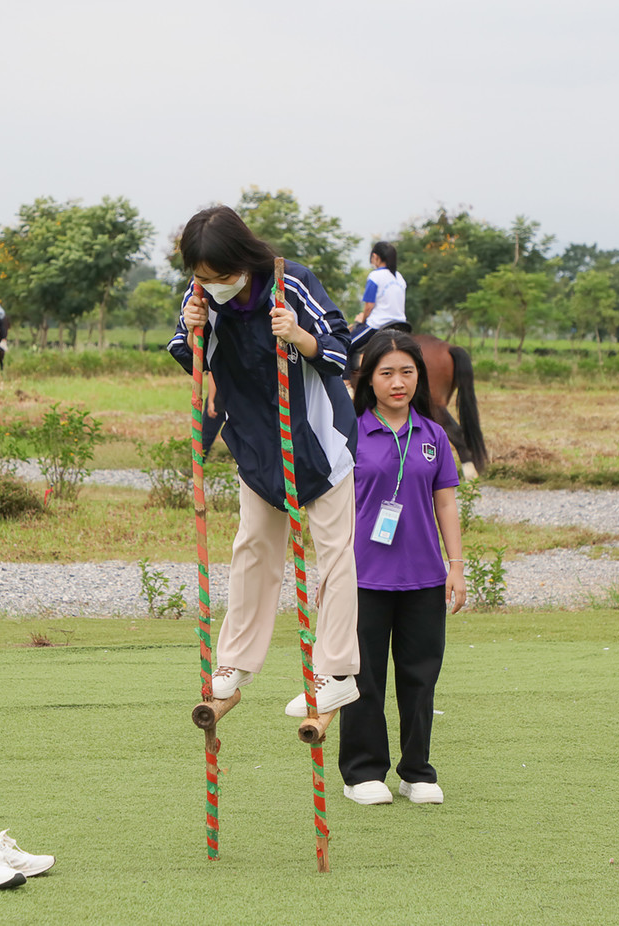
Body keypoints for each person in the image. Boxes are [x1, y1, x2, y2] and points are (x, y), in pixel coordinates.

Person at [167, 205, 360, 716]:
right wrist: (194, 330)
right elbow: (190, 359)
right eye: (202, 278)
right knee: (252, 547)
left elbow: (344, 350)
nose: (213, 286)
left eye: (222, 277)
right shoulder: (202, 293)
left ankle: (336, 670)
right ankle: (234, 662)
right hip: (255, 441)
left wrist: (298, 335)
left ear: (245, 260)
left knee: (335, 551)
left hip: (317, 437)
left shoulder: (290, 283)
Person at [337, 330, 465, 806]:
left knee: (419, 678)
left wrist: (456, 566)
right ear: (368, 379)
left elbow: (446, 504)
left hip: (424, 578)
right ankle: (362, 774)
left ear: (420, 378)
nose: (398, 382)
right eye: (387, 372)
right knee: (363, 678)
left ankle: (416, 772)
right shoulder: (348, 434)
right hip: (362, 577)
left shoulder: (433, 435)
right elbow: (330, 507)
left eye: (407, 372)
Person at [347, 241, 410, 358]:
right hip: (401, 324)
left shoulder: (375, 276)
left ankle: (345, 377)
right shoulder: (399, 277)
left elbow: (369, 306)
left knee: (345, 346)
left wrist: (362, 320)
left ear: (375, 257)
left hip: (378, 325)